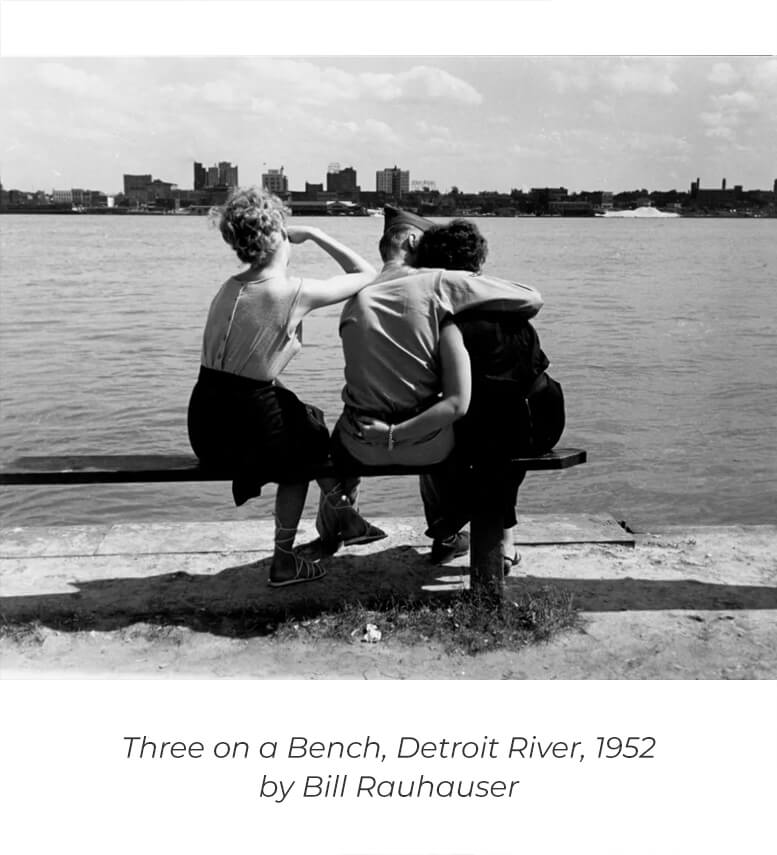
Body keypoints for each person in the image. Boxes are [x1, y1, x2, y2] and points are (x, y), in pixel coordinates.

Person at [187, 186, 385, 588]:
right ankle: (286, 559)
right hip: (245, 421)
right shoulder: (291, 292)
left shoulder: (227, 288)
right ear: (278, 234)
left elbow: (245, 374)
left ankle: (342, 515)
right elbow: (368, 275)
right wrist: (315, 233)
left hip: (205, 421)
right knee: (303, 445)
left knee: (301, 421)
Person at [324, 205, 544, 565]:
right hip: (426, 445)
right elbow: (532, 298)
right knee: (451, 423)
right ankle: (446, 534)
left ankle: (335, 527)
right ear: (412, 240)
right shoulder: (437, 282)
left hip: (359, 444)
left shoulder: (356, 291)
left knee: (337, 427)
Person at [413, 219, 565, 573]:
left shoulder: (441, 318)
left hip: (490, 427)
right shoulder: (511, 305)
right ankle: (503, 537)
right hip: (540, 421)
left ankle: (447, 527)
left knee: (436, 428)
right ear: (479, 264)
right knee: (498, 435)